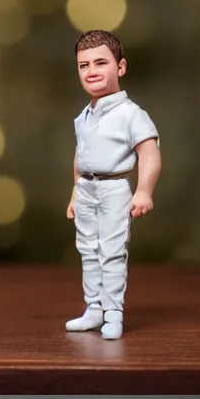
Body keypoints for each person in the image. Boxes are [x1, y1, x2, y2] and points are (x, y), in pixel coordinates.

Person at [64, 30, 159, 341]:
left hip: (114, 189)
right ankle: (94, 308)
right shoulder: (84, 117)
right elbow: (81, 156)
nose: (91, 71)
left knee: (112, 252)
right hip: (88, 190)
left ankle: (113, 312)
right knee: (88, 250)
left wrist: (144, 189)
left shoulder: (131, 115)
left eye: (100, 62)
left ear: (120, 67)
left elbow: (149, 153)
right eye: (83, 65)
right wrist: (75, 191)